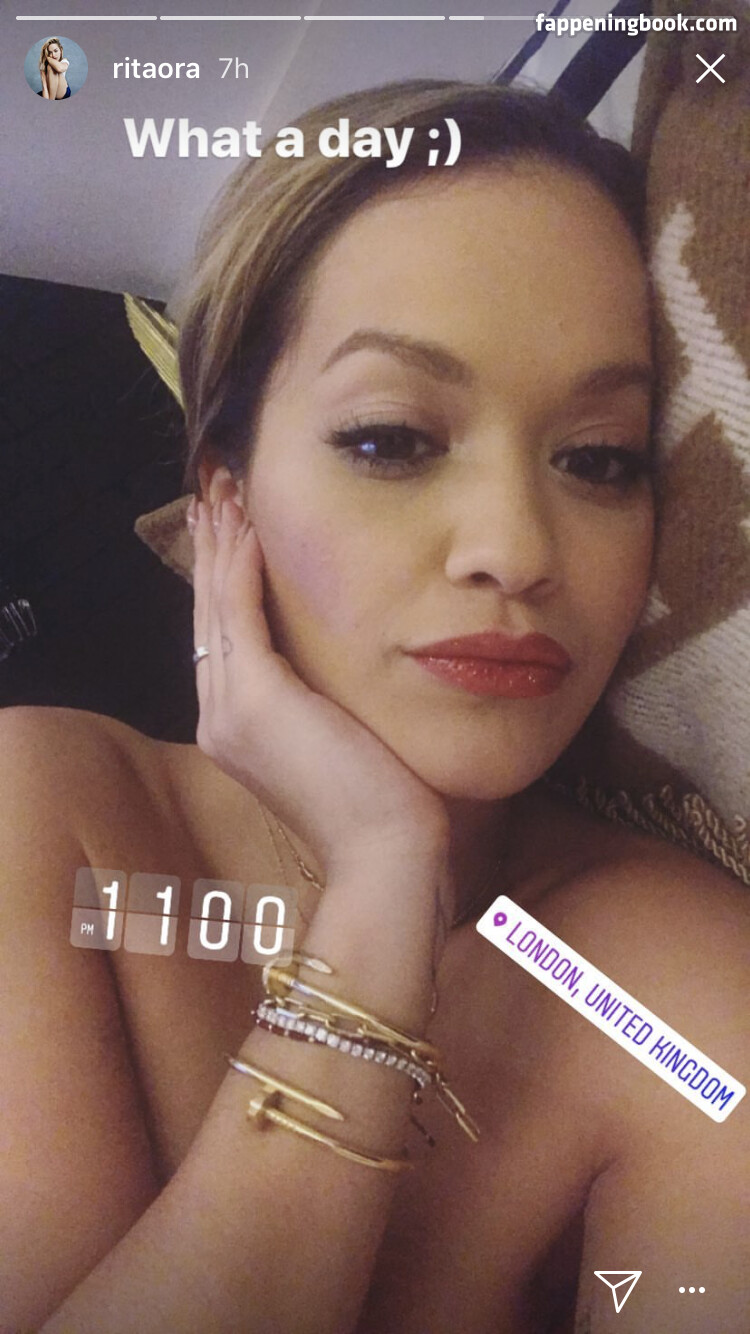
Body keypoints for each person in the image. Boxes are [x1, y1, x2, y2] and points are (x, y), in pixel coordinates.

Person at [1, 79, 747, 1334]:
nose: (516, 546)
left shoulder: (648, 982)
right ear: (224, 494)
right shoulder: (51, 823)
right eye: (393, 438)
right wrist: (378, 890)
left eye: (598, 458)